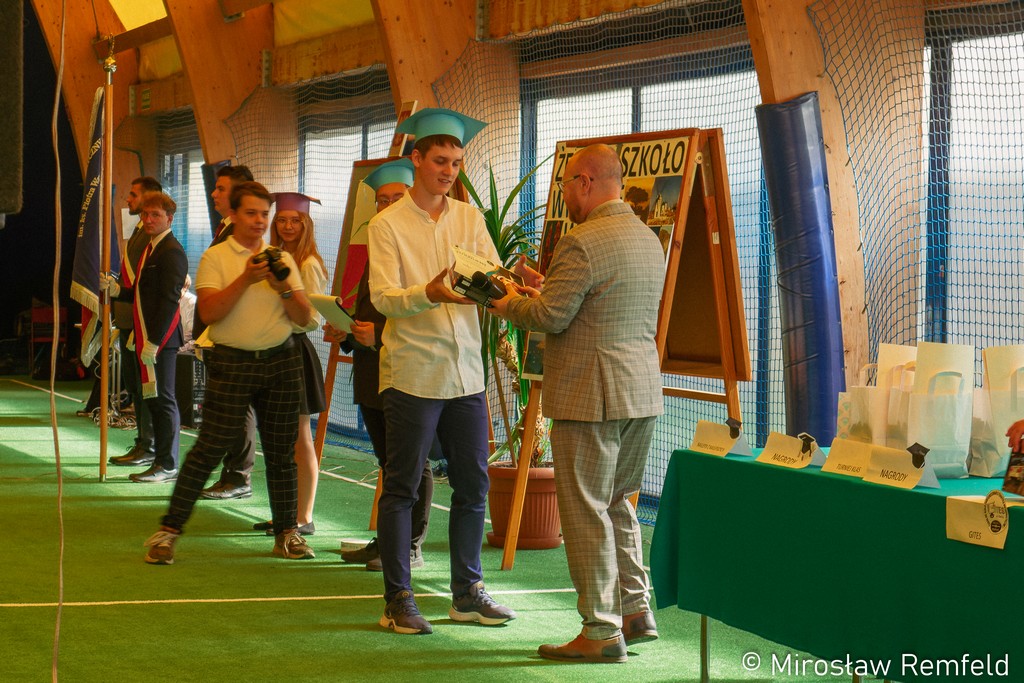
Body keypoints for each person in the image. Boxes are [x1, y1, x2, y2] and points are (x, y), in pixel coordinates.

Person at [489, 144, 665, 663]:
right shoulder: (648, 238)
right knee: (618, 503)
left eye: (566, 182)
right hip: (640, 391)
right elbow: (593, 304)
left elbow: (551, 318)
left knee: (586, 510)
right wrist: (544, 292)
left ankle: (600, 631)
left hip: (591, 395)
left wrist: (505, 302)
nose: (564, 192)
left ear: (586, 181)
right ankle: (635, 610)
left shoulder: (580, 241)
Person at [366, 108, 516, 634]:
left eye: (455, 163)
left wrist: (515, 284)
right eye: (440, 161)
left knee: (473, 486)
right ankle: (398, 600)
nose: (449, 171)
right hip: (413, 373)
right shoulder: (386, 225)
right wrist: (428, 292)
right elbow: (383, 298)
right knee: (402, 488)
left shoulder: (471, 220)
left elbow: (492, 278)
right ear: (416, 160)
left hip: (467, 375)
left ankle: (467, 594)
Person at [143, 181, 314, 565]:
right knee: (209, 448)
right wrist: (246, 279)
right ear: (234, 215)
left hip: (282, 363)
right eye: (251, 213)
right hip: (232, 362)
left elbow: (304, 318)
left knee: (281, 453)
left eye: (264, 214)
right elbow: (210, 312)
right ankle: (168, 533)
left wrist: (284, 288)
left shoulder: (281, 259)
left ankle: (287, 534)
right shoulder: (216, 257)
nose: (260, 221)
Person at [337, 159, 434, 571]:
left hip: (405, 371)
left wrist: (376, 336)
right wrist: (346, 330)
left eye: (397, 197)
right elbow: (370, 309)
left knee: (411, 462)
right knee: (390, 464)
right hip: (370, 372)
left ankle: (410, 544)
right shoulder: (377, 245)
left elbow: (426, 315)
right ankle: (390, 539)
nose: (388, 206)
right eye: (382, 200)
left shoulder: (423, 250)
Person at [247, 192, 327, 536]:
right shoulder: (273, 257)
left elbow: (313, 319)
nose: (288, 226)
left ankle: (303, 516)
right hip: (271, 349)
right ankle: (284, 513)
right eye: (282, 220)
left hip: (294, 351)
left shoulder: (308, 264)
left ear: (306, 224)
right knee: (278, 440)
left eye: (296, 221)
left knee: (299, 437)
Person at [102, 191, 188, 483]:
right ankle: (158, 458)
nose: (148, 220)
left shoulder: (171, 252)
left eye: (155, 215)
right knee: (152, 400)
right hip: (147, 337)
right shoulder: (152, 249)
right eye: (145, 214)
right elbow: (141, 294)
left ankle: (168, 464)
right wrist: (118, 291)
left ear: (169, 219)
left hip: (161, 340)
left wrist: (153, 340)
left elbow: (168, 301)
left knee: (163, 400)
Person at [197, 165, 260, 501]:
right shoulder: (225, 230)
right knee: (227, 410)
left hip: (239, 338)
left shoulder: (245, 241)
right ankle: (231, 473)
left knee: (239, 409)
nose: (214, 193)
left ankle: (238, 476)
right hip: (218, 334)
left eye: (221, 188)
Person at [108, 176, 163, 468]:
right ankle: (144, 442)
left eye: (133, 194)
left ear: (150, 196)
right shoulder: (139, 230)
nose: (128, 199)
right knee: (134, 387)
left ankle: (149, 446)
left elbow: (147, 286)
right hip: (129, 319)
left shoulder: (153, 237)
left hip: (140, 322)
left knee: (146, 389)